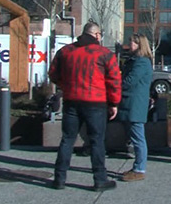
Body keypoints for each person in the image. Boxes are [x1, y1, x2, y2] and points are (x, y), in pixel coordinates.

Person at [49, 22, 122, 191]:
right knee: (97, 141)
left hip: (71, 100)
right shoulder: (104, 54)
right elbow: (114, 81)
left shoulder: (65, 52)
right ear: (96, 35)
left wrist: (65, 86)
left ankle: (59, 178)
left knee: (67, 139)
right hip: (95, 102)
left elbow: (53, 74)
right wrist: (114, 103)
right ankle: (100, 179)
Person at [117, 33, 153, 182]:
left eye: (132, 42)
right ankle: (137, 167)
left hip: (135, 104)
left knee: (138, 138)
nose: (129, 44)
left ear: (140, 45)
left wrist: (116, 85)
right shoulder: (135, 61)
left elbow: (129, 81)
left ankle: (139, 168)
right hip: (131, 103)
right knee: (135, 136)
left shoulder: (141, 63)